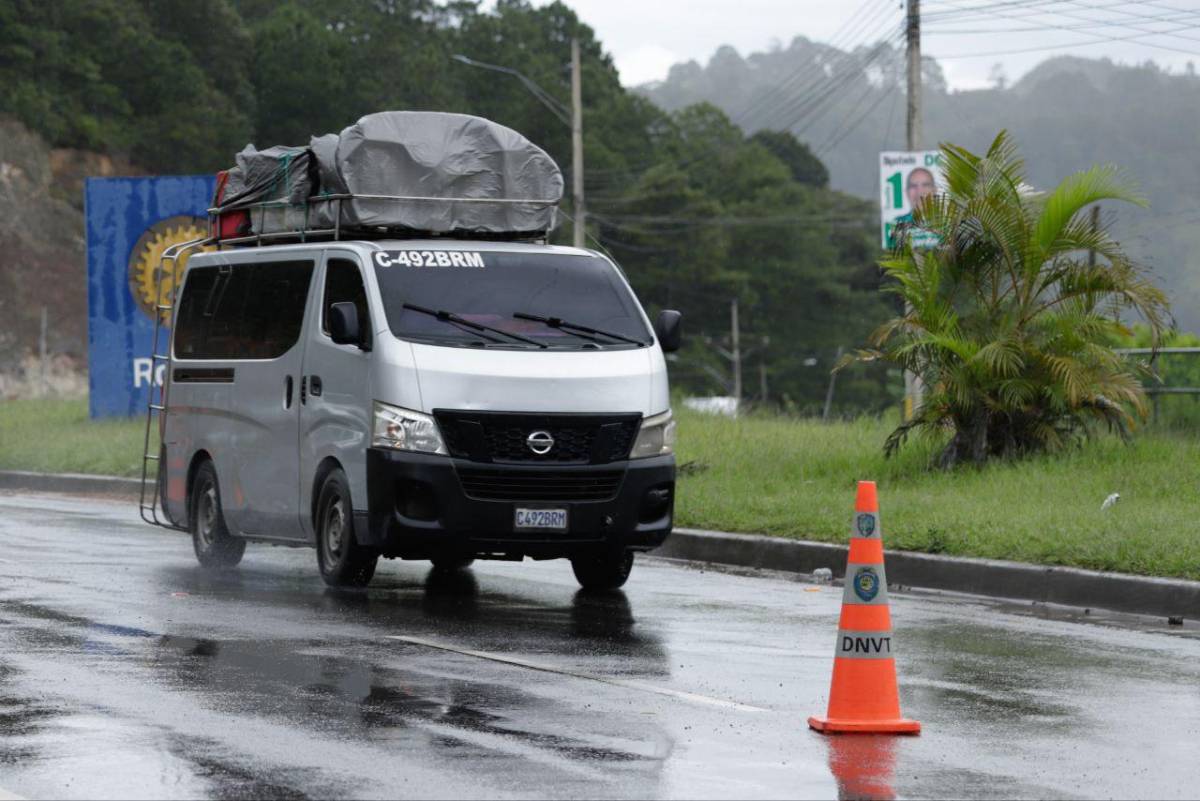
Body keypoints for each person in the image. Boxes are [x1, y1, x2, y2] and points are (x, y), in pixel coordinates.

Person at [887, 167, 937, 248]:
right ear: (906, 192)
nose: (919, 191)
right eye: (913, 186)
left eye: (925, 185)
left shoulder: (948, 223)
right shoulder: (897, 223)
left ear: (934, 190)